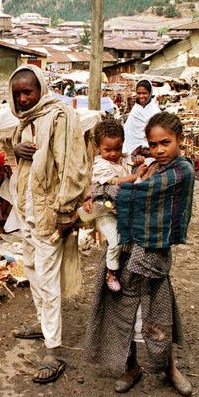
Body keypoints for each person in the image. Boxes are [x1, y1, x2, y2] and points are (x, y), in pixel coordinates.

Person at [85, 112, 195, 396]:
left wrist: (99, 192)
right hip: (125, 247)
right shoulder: (152, 167)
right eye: (154, 144)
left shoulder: (180, 171)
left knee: (159, 311)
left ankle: (169, 367)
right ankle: (130, 366)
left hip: (154, 253)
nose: (159, 149)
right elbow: (130, 188)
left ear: (179, 140)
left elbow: (137, 194)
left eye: (165, 142)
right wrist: (107, 192)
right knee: (123, 310)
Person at [8, 64, 88, 384]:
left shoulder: (59, 117)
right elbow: (25, 155)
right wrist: (16, 149)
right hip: (28, 208)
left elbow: (73, 166)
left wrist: (66, 212)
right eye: (17, 94)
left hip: (50, 213)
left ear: (41, 89)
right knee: (31, 268)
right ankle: (43, 325)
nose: (23, 99)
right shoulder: (27, 121)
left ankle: (54, 350)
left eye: (28, 92)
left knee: (48, 278)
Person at [79, 119, 141, 292]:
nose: (114, 154)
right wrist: (136, 176)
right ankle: (111, 273)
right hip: (105, 212)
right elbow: (117, 182)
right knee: (115, 242)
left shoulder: (122, 158)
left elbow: (132, 160)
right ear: (99, 147)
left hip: (123, 211)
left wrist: (138, 160)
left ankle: (126, 270)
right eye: (108, 150)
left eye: (118, 148)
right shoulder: (100, 165)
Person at [123, 80, 161, 156]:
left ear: (150, 93)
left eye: (144, 93)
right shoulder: (136, 108)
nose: (141, 96)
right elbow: (129, 128)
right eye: (139, 93)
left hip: (147, 149)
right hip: (131, 147)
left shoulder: (155, 111)